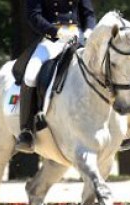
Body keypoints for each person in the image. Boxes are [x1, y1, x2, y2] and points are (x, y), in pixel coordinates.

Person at [16, 0, 97, 153]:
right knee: (31, 74)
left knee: (104, 66)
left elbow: (88, 13)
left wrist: (89, 31)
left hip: (79, 37)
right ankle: (26, 131)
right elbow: (34, 16)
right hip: (52, 39)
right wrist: (55, 32)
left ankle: (118, 129)